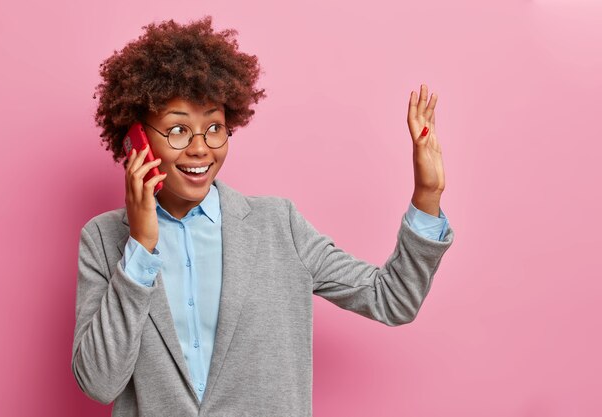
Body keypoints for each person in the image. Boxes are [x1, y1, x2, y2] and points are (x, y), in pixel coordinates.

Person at [71, 17, 454, 417]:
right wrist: (140, 248)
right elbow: (99, 383)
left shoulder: (278, 225)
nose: (201, 148)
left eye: (214, 126)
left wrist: (427, 195)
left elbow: (392, 299)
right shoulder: (102, 239)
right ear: (137, 138)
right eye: (179, 130)